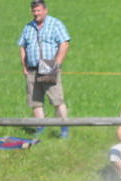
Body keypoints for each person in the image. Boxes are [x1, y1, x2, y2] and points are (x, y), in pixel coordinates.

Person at [18, 0, 71, 138]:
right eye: (34, 11)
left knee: (57, 99)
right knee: (35, 101)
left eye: (38, 10)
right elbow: (22, 47)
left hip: (49, 65)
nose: (36, 13)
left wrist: (56, 64)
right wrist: (24, 67)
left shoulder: (55, 24)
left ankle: (64, 129)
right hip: (32, 68)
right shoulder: (28, 27)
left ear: (45, 10)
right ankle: (40, 129)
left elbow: (64, 43)